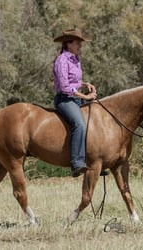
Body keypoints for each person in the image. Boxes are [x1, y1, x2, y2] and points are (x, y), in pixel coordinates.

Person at [53, 28, 97, 177]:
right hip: (65, 100)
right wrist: (86, 97)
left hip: (75, 97)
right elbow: (65, 87)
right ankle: (77, 163)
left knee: (94, 122)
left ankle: (93, 161)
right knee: (79, 124)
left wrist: (85, 84)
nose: (80, 45)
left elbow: (74, 82)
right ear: (68, 43)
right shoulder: (62, 60)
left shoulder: (75, 59)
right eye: (78, 42)